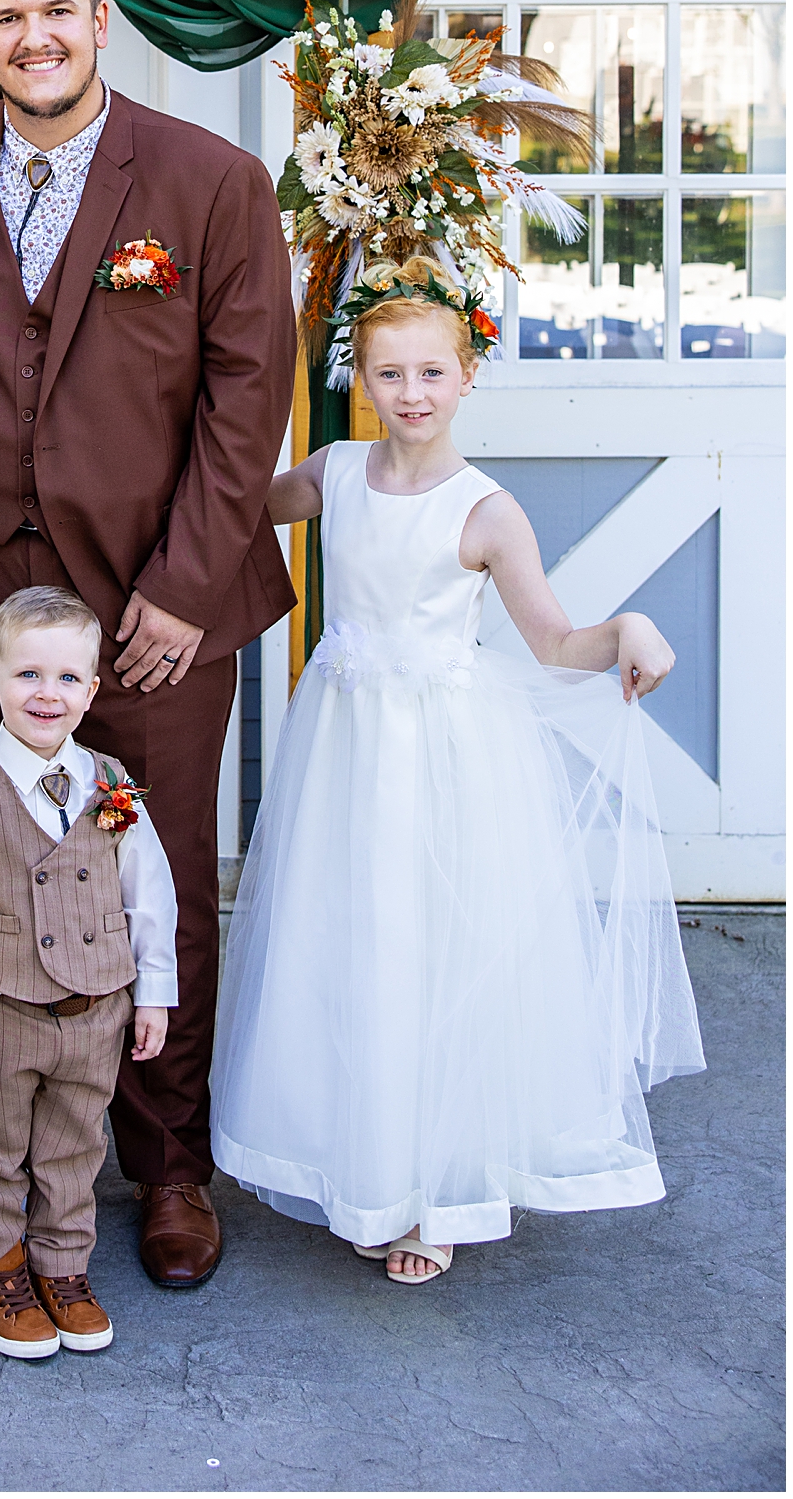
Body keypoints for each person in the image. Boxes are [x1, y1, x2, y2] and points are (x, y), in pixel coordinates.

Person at [0, 0, 294, 1289]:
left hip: (152, 613)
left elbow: (249, 405)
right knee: (0, 877)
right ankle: (15, 1159)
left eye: (56, 12)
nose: (33, 39)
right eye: (7, 19)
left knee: (152, 877)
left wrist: (183, 591)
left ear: (101, 20)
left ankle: (170, 1165)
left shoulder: (212, 181)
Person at [211, 266, 705, 1284]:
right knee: (350, 947)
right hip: (343, 748)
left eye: (433, 373)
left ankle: (435, 1194)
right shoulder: (336, 472)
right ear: (363, 379)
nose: (413, 394)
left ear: (468, 375)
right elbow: (237, 501)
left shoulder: (486, 511)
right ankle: (369, 1172)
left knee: (427, 952)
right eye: (390, 374)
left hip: (438, 758)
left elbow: (556, 640)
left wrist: (629, 629)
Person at [0, 586, 178, 1358]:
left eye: (68, 679)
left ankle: (63, 1270)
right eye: (28, 675)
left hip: (95, 1010)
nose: (48, 694)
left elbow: (149, 891)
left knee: (74, 1149)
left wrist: (153, 993)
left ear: (92, 690)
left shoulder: (112, 786)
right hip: (1, 1010)